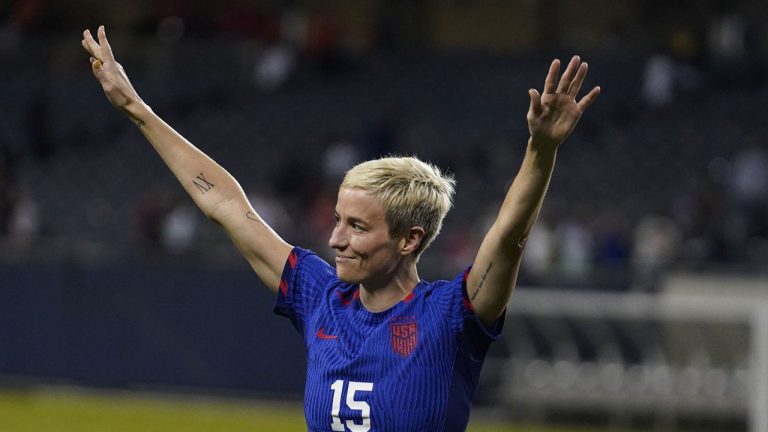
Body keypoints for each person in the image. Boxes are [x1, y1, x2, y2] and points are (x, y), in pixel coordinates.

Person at [81, 25, 599, 432]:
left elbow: (509, 236)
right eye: (336, 221)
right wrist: (136, 109)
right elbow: (225, 204)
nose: (335, 239)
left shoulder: (451, 318)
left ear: (409, 239)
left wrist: (541, 148)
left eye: (356, 227)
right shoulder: (319, 296)